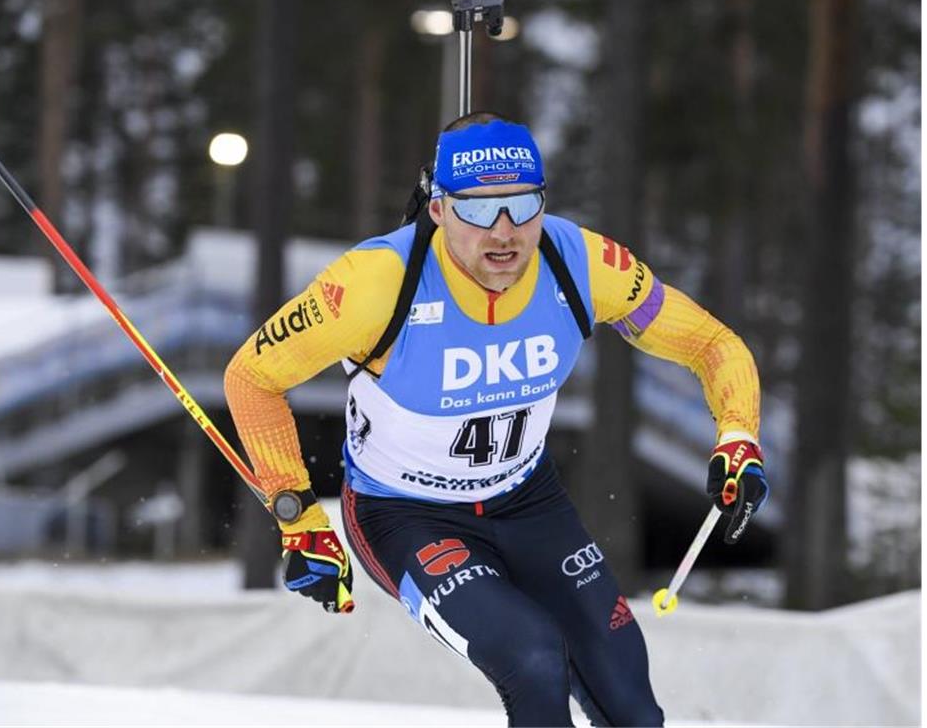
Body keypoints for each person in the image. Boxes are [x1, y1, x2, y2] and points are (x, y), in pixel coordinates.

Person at [223, 112, 768, 727]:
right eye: (479, 210)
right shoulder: (376, 283)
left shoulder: (580, 262)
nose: (504, 233)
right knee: (533, 658)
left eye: (522, 205)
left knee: (630, 702)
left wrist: (739, 434)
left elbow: (711, 344)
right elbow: (252, 376)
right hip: (405, 514)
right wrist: (297, 516)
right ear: (438, 209)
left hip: (527, 502)